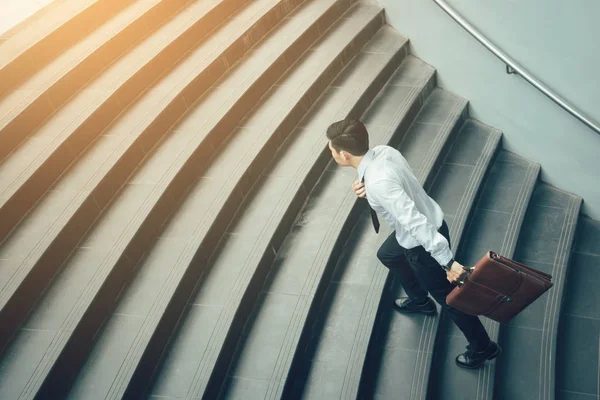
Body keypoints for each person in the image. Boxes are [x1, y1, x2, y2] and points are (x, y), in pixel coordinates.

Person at [326, 118, 501, 369]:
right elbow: (396, 186)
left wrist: (447, 261)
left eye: (331, 150)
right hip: (425, 226)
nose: (331, 154)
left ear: (343, 154)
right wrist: (365, 184)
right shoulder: (384, 152)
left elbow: (414, 222)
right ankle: (420, 301)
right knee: (388, 254)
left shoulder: (379, 183)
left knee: (450, 299)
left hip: (423, 241)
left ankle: (483, 347)